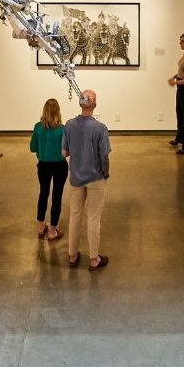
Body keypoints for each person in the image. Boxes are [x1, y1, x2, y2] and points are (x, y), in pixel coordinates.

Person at [62, 89, 112, 270]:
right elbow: (104, 156)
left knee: (74, 216)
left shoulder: (69, 125)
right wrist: (105, 174)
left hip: (76, 177)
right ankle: (93, 259)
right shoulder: (100, 128)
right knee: (93, 218)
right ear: (94, 104)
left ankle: (72, 255)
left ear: (80, 103)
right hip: (95, 178)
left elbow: (64, 152)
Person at [31, 98, 66, 240]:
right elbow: (66, 150)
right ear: (58, 112)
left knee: (43, 194)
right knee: (57, 197)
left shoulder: (38, 127)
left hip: (43, 166)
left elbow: (32, 147)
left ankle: (40, 227)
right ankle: (53, 230)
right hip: (59, 166)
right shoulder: (62, 130)